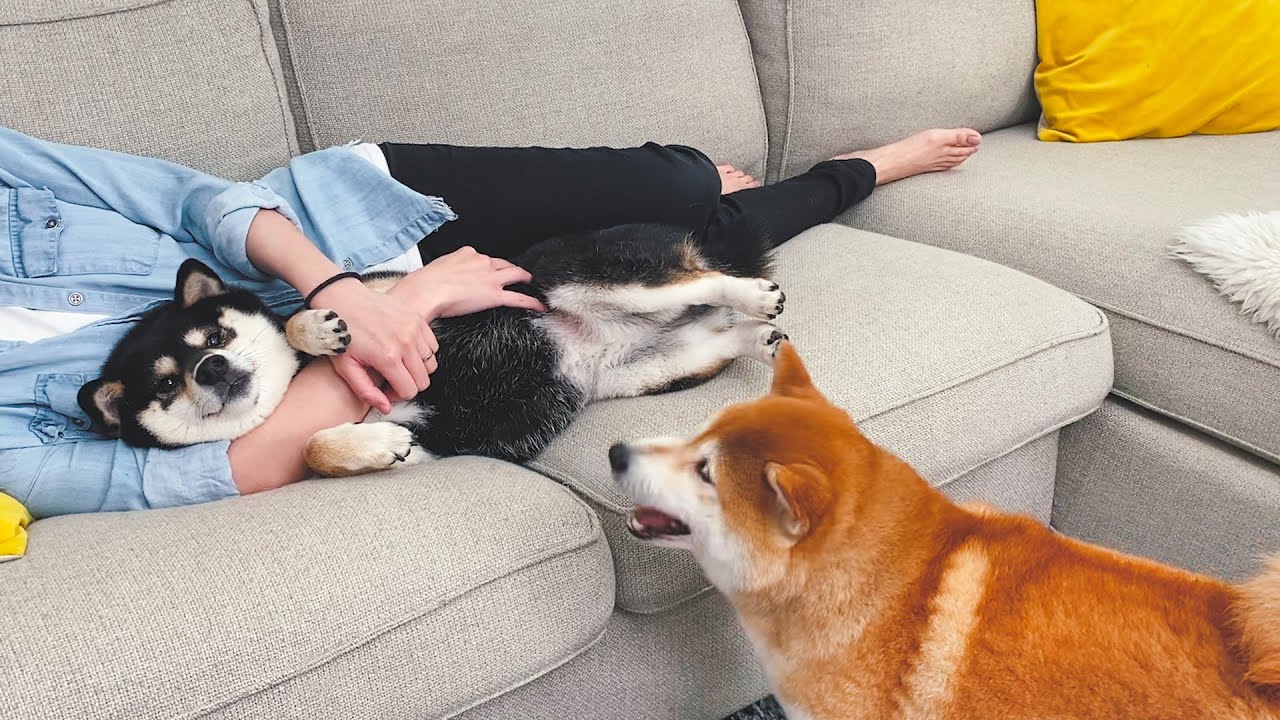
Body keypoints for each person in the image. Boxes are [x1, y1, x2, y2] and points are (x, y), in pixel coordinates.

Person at [0, 125, 981, 519]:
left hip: (340, 220)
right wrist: (408, 303)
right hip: (345, 371)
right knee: (706, 242)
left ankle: (702, 188)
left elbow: (185, 199)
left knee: (676, 184)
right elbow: (209, 474)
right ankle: (862, 170)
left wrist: (340, 287)